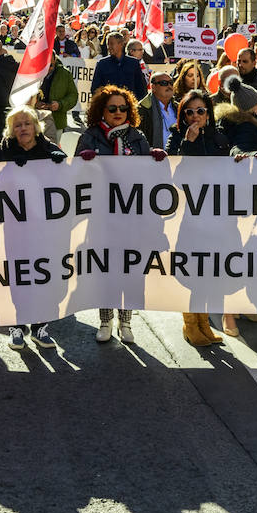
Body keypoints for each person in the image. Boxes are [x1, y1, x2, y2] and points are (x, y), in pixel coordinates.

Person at [77, 85, 167, 343]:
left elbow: (148, 175)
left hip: (132, 217)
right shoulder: (91, 136)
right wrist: (83, 161)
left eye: (123, 108)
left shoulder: (137, 137)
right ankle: (105, 321)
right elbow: (74, 173)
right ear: (101, 111)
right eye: (112, 108)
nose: (118, 112)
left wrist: (154, 158)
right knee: (106, 268)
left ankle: (125, 322)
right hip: (102, 216)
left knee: (130, 267)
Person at [165, 89, 238, 343]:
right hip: (191, 217)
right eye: (189, 112)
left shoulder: (220, 137)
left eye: (200, 111)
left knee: (211, 272)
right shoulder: (176, 137)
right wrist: (189, 144)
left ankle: (204, 323)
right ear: (183, 114)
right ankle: (190, 325)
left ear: (208, 112)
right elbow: (176, 176)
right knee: (193, 271)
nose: (195, 116)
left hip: (218, 218)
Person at [0, 107, 65, 351]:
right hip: (15, 227)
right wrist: (9, 168)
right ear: (11, 130)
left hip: (43, 227)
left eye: (27, 123)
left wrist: (57, 160)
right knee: (18, 275)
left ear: (36, 126)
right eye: (17, 125)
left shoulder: (49, 148)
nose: (22, 128)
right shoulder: (3, 150)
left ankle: (40, 326)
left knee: (42, 274)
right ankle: (17, 326)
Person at [91, 31, 147, 98]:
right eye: (107, 44)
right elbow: (95, 89)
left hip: (129, 105)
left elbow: (141, 88)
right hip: (109, 106)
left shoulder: (133, 63)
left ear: (121, 44)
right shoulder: (102, 64)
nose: (109, 47)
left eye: (112, 44)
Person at [138, 68, 179, 149]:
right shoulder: (142, 109)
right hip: (153, 157)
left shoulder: (179, 107)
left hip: (178, 157)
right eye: (164, 83)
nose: (169, 86)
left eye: (171, 83)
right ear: (153, 87)